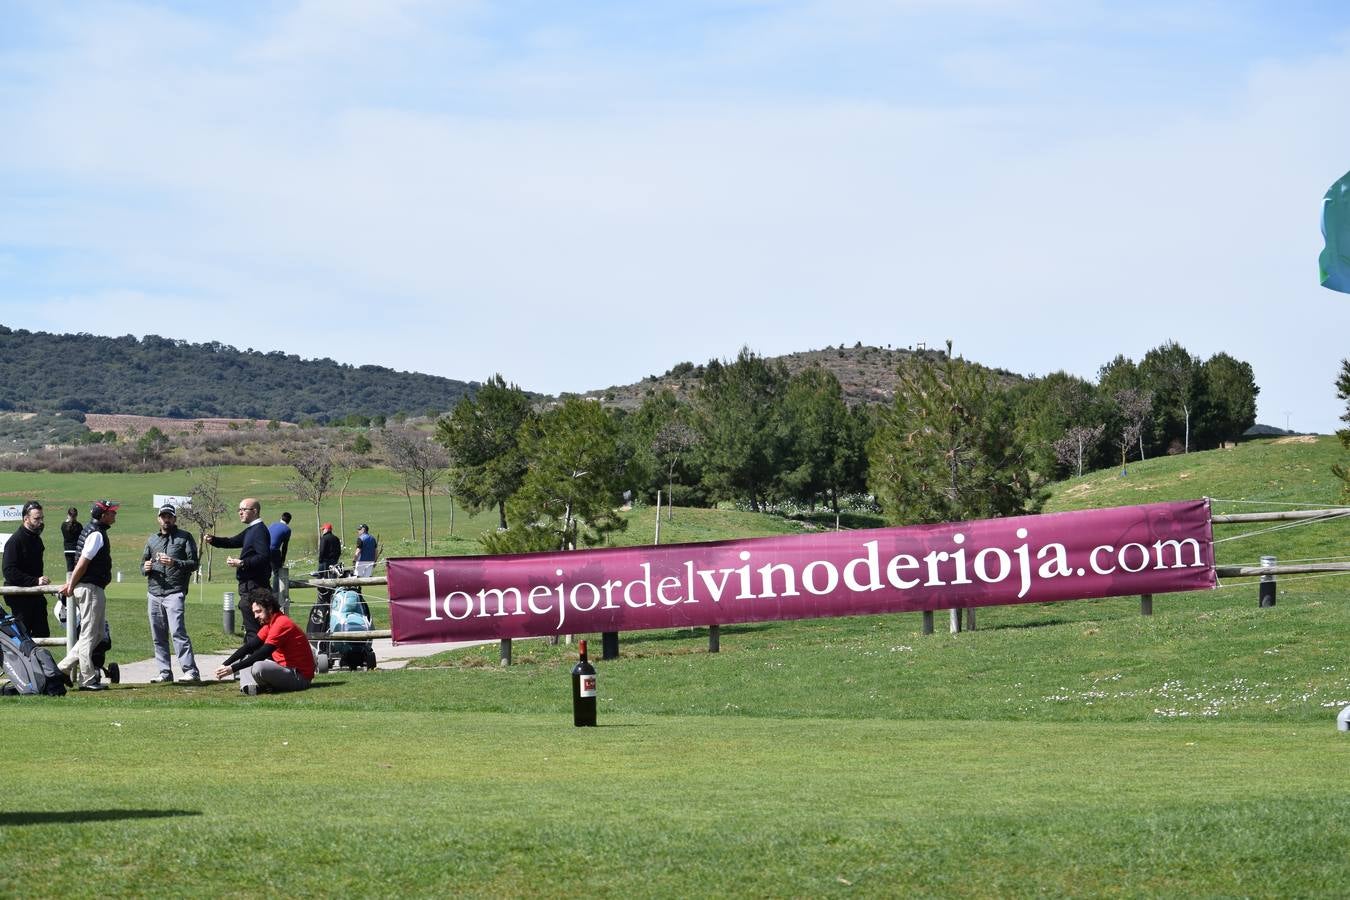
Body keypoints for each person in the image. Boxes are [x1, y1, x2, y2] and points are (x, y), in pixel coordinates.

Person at [57, 499, 118, 691]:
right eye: (111, 512)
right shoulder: (97, 535)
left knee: (97, 634)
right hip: (90, 588)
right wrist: (71, 584)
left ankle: (62, 669)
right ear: (103, 515)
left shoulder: (94, 531)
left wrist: (72, 584)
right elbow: (82, 563)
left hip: (92, 587)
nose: (114, 514)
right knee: (90, 635)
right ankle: (87, 679)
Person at [141, 504, 201, 684]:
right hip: (154, 592)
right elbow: (143, 563)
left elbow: (194, 564)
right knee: (158, 636)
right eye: (163, 516)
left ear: (174, 519)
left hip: (174, 592)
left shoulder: (185, 538)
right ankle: (164, 672)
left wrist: (174, 562)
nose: (166, 519)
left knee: (177, 632)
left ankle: (191, 671)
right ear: (158, 519)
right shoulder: (152, 540)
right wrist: (145, 568)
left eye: (169, 516)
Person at [214, 588, 315, 694]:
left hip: (299, 678)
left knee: (258, 666)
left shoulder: (282, 623)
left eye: (258, 611)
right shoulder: (271, 623)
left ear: (270, 608)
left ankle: (262, 687)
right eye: (254, 612)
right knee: (246, 657)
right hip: (285, 671)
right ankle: (250, 688)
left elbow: (263, 653)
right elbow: (249, 647)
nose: (256, 616)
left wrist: (232, 669)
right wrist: (225, 665)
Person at [204, 497, 272, 640]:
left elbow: (264, 557)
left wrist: (242, 563)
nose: (240, 513)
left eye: (243, 510)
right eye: (239, 510)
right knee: (254, 630)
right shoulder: (251, 530)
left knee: (255, 631)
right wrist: (213, 540)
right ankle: (253, 659)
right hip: (249, 587)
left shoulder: (259, 531)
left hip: (255, 588)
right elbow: (231, 541)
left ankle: (255, 660)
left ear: (254, 511)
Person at [2, 500, 52, 638]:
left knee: (42, 636)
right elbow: (9, 571)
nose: (41, 522)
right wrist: (35, 581)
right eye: (37, 518)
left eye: (42, 518)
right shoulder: (15, 541)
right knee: (24, 640)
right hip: (20, 598)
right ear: (26, 518)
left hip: (36, 597)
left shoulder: (36, 539)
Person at [268, 511, 292, 591]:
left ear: (281, 518)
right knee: (277, 573)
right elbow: (284, 546)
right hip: (274, 550)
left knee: (265, 572)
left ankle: (266, 592)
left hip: (264, 549)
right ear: (289, 521)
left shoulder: (272, 524)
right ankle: (275, 595)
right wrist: (282, 559)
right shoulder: (287, 529)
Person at [61, 506, 82, 573]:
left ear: (68, 515)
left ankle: (69, 582)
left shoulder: (64, 525)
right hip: (77, 550)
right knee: (77, 570)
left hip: (68, 550)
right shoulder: (79, 525)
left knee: (69, 570)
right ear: (76, 515)